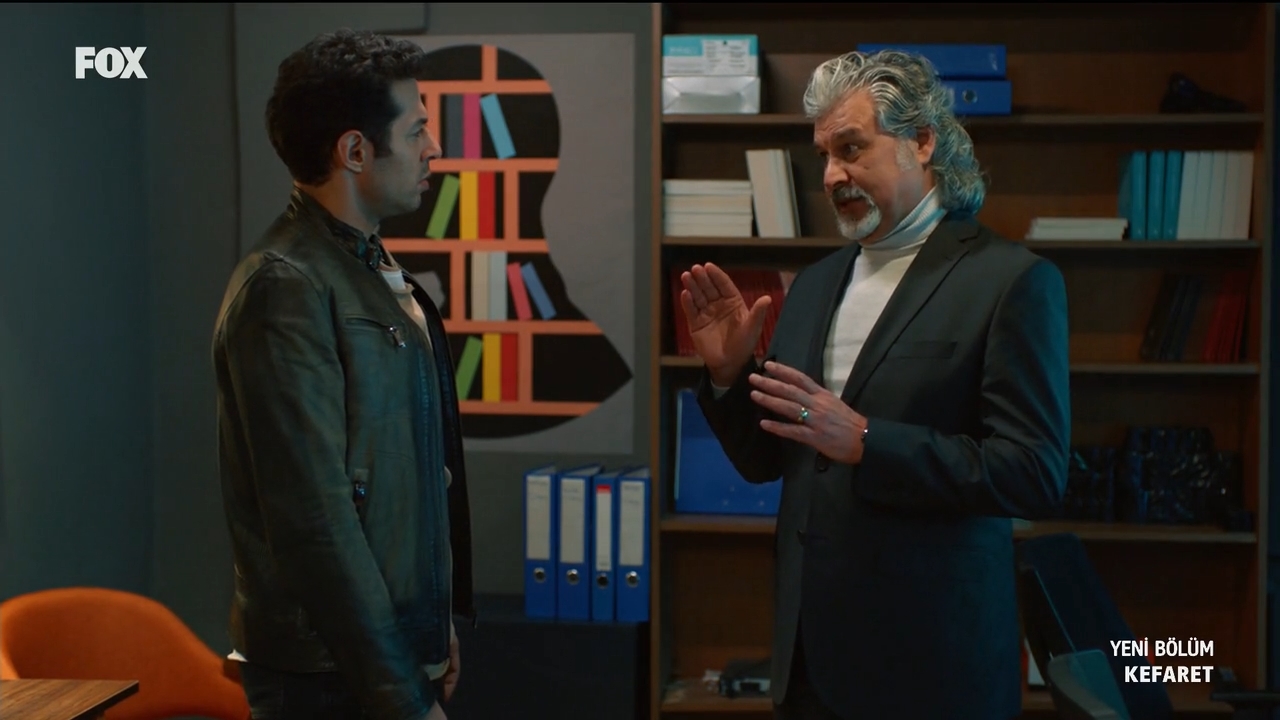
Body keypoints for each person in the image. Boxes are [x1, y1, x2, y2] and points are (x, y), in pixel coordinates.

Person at [681, 50, 1070, 720]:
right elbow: (768, 461)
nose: (832, 175)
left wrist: (868, 440)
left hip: (932, 670)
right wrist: (726, 377)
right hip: (810, 666)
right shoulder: (814, 286)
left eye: (852, 148)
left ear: (921, 141)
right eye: (824, 156)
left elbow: (1033, 473)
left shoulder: (1011, 282)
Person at [211, 29, 473, 720]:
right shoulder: (284, 286)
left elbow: (404, 480)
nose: (433, 148)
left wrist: (430, 631)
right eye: (416, 130)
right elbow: (315, 522)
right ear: (355, 151)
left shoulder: (366, 267)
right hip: (328, 677)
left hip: (383, 655)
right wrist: (401, 695)